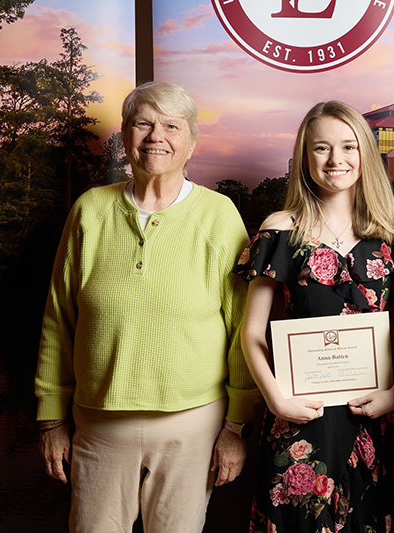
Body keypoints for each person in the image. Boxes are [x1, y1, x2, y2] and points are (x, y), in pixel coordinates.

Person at [34, 81, 259, 532]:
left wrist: (236, 427)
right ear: (125, 137)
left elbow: (242, 330)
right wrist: (49, 418)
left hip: (192, 429)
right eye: (144, 123)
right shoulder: (90, 210)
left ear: (191, 142)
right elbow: (59, 319)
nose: (157, 136)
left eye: (172, 126)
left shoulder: (219, 215)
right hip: (98, 426)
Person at [236, 100, 394, 533]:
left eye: (349, 146)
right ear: (304, 157)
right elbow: (252, 333)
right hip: (300, 418)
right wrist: (276, 398)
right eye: (321, 148)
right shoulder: (281, 228)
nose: (336, 160)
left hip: (372, 416)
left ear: (365, 154)